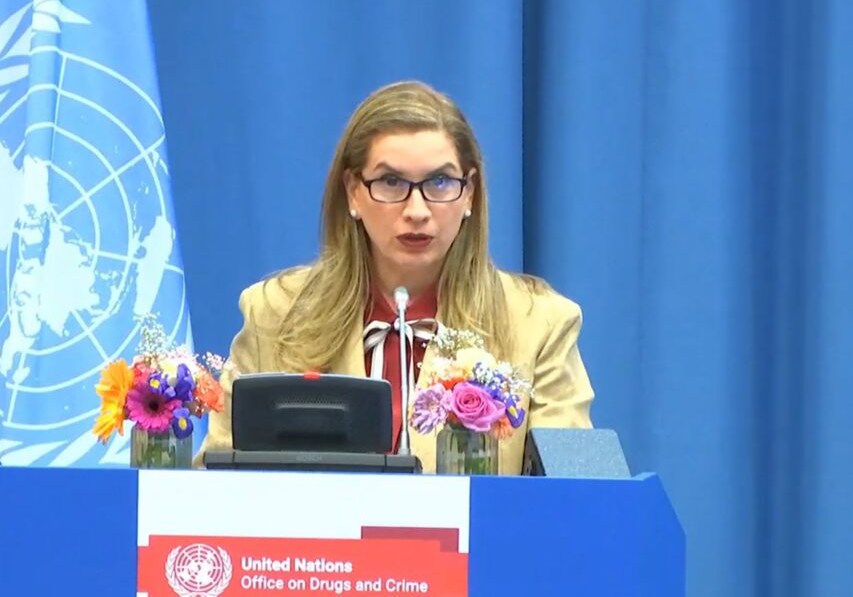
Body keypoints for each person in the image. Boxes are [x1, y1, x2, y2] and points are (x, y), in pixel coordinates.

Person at [195, 81, 593, 474]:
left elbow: (576, 494)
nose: (417, 210)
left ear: (469, 193)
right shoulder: (275, 313)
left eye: (439, 182)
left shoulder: (539, 324)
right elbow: (211, 487)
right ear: (353, 192)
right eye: (391, 182)